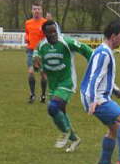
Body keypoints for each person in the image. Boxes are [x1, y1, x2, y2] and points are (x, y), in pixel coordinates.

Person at [81, 20, 120, 164]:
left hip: (96, 97)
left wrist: (119, 93)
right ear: (113, 37)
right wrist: (94, 101)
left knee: (114, 129)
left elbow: (105, 79)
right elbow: (95, 77)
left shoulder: (103, 51)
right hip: (97, 98)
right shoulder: (104, 54)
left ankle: (104, 162)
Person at [34, 21, 92, 152]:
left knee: (53, 107)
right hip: (53, 85)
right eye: (50, 32)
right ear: (45, 33)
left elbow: (87, 51)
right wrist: (36, 66)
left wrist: (94, 65)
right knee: (59, 113)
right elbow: (36, 64)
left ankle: (65, 132)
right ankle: (75, 139)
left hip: (67, 82)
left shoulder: (67, 42)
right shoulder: (41, 46)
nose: (53, 34)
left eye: (55, 31)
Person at [25, 2, 48, 103]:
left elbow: (48, 37)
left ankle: (43, 95)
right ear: (32, 11)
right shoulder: (28, 23)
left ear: (41, 10)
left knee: (43, 74)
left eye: (38, 9)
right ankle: (32, 94)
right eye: (34, 9)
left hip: (42, 52)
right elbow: (27, 34)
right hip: (31, 51)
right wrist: (27, 40)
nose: (36, 11)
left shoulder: (45, 23)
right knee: (30, 72)